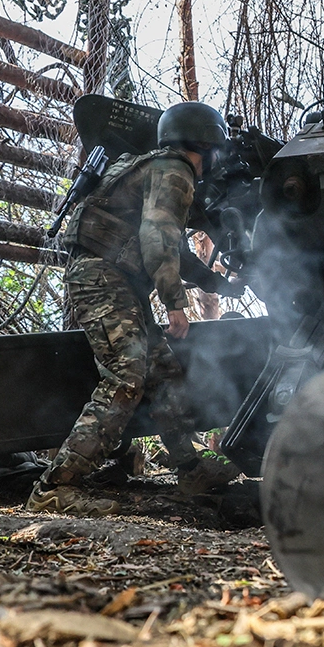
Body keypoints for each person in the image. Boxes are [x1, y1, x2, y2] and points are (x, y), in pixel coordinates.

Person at [27, 101, 241, 516]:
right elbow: (157, 239)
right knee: (126, 375)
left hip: (114, 277)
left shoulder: (154, 166)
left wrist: (220, 285)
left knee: (163, 372)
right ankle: (55, 487)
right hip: (104, 276)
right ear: (207, 144)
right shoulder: (175, 170)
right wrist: (176, 304)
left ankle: (191, 470)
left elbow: (174, 248)